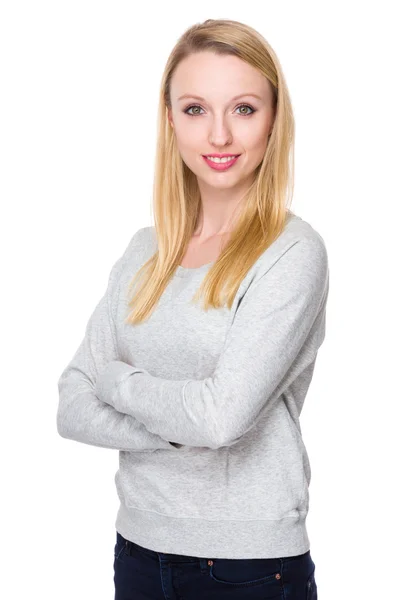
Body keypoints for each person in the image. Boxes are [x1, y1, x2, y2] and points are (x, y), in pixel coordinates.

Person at [57, 18, 328, 600]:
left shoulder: (292, 254)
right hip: (137, 549)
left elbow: (220, 419)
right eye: (197, 109)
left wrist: (123, 384)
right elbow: (72, 404)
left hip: (247, 567)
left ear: (275, 119)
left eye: (245, 108)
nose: (221, 135)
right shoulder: (143, 251)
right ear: (170, 119)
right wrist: (179, 431)